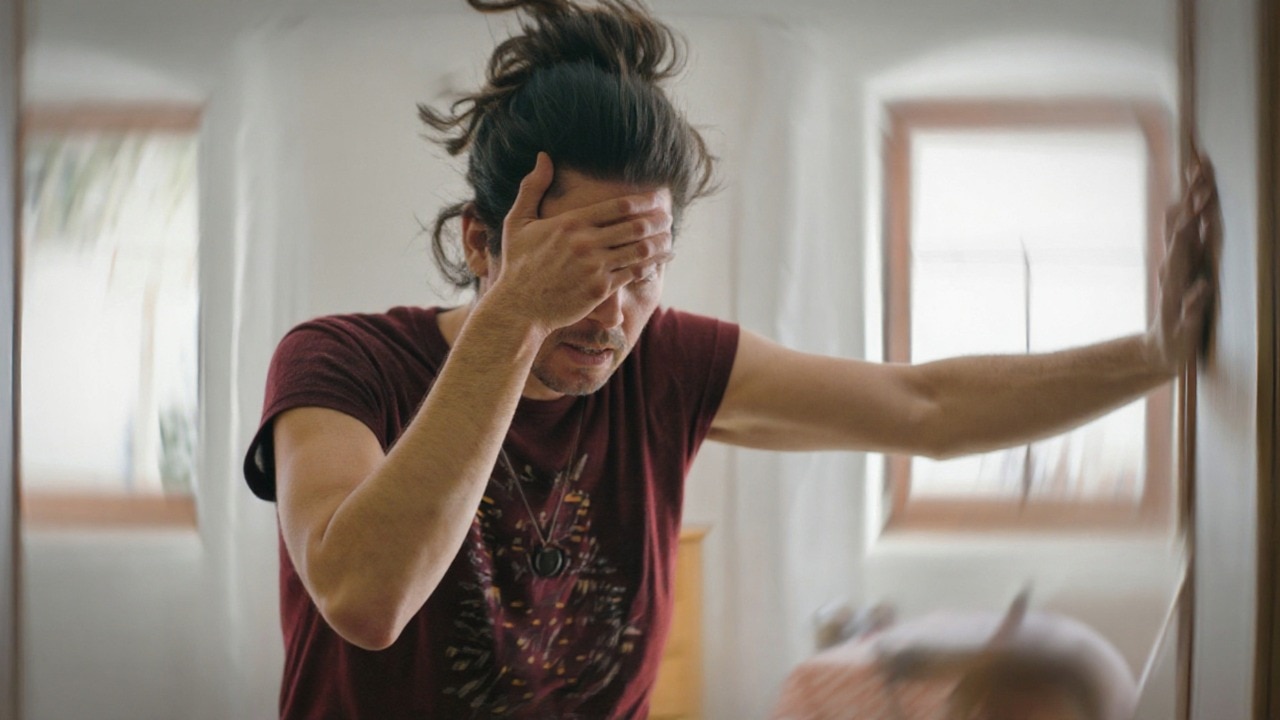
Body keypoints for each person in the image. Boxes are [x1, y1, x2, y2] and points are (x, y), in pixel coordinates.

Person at [241, 0, 1220, 718]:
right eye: (576, 267)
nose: (609, 313)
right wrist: (513, 322)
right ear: (479, 243)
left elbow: (924, 405)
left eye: (641, 270)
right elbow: (365, 597)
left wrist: (1157, 353)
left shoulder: (667, 365)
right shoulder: (339, 363)